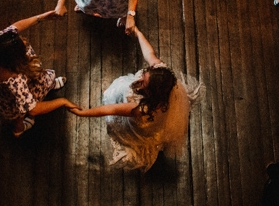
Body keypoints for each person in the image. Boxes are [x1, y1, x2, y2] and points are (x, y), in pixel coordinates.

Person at [70, 27, 202, 171]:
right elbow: (149, 53)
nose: (138, 80)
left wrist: (82, 113)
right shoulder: (162, 79)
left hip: (140, 118)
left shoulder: (141, 108)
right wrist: (138, 33)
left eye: (143, 83)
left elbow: (109, 109)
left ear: (149, 92)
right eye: (145, 73)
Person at [0, 11, 80, 137]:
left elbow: (16, 26)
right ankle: (19, 129)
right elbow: (33, 109)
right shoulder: (15, 81)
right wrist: (62, 101)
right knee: (19, 114)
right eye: (22, 45)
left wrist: (40, 17)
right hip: (15, 98)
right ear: (17, 58)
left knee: (26, 102)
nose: (24, 42)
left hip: (4, 92)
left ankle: (50, 84)